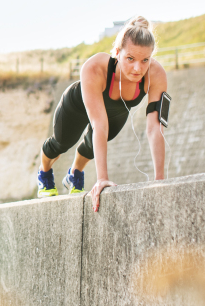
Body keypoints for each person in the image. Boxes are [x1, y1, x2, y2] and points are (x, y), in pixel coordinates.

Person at [36, 16, 167, 207]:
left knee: (91, 146)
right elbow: (99, 124)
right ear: (117, 53)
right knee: (61, 143)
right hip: (77, 104)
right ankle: (44, 172)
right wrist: (102, 179)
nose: (138, 68)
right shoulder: (96, 67)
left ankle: (75, 174)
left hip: (117, 109)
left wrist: (159, 180)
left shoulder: (156, 74)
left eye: (145, 60)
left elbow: (155, 128)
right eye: (130, 59)